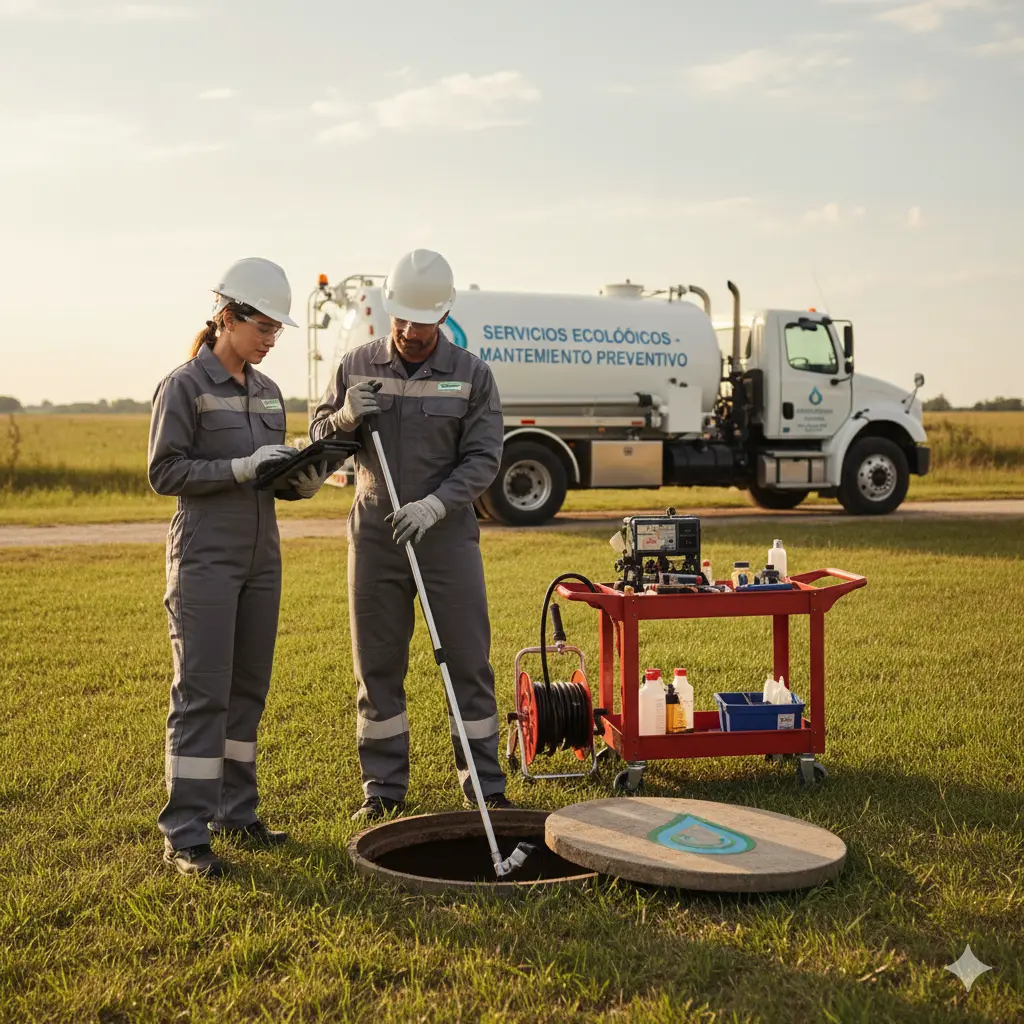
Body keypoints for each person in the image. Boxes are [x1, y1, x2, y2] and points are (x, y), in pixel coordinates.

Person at [310, 248, 509, 821]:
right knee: (377, 666)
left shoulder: (472, 375)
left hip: (445, 536)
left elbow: (483, 458)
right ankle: (383, 789)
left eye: (422, 321)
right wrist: (343, 418)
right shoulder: (355, 365)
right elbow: (321, 443)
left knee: (468, 661)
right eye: (401, 317)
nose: (410, 330)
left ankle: (483, 785)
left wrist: (436, 505)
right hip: (375, 536)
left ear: (443, 315)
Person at [148, 257, 331, 877]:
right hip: (205, 558)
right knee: (202, 693)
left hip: (262, 558)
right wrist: (239, 469)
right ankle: (185, 832)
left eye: (279, 331)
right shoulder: (184, 386)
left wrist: (295, 483)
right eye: (265, 327)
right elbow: (164, 472)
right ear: (228, 317)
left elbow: (266, 476)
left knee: (247, 691)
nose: (272, 340)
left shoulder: (270, 393)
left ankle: (236, 812)